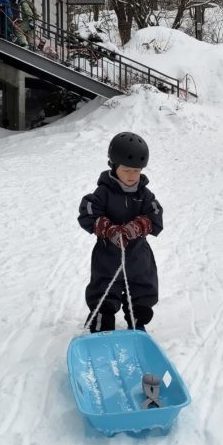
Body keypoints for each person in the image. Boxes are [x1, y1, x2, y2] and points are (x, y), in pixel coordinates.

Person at [78, 132, 164, 333]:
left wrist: (140, 225)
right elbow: (87, 211)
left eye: (137, 171)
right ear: (114, 166)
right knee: (104, 290)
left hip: (137, 255)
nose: (132, 176)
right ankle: (102, 322)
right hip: (107, 255)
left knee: (141, 288)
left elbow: (156, 214)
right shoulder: (103, 192)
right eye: (126, 170)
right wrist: (106, 228)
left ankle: (137, 323)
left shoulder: (144, 194)